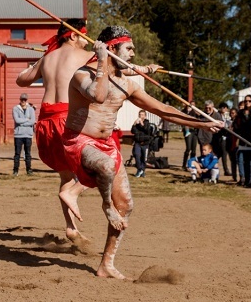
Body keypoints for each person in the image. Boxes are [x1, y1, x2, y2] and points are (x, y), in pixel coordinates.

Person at [62, 26, 222, 279]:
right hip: (79, 141)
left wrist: (202, 123)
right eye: (129, 48)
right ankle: (105, 205)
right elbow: (99, 95)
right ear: (112, 48)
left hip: (107, 146)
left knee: (125, 205)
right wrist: (102, 60)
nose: (134, 54)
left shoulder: (127, 84)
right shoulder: (83, 74)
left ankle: (106, 265)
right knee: (104, 167)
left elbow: (162, 109)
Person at [17, 19, 159, 243]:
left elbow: (20, 80)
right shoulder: (84, 57)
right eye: (84, 37)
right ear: (73, 36)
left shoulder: (47, 58)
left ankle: (71, 227)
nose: (88, 42)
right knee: (102, 162)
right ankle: (76, 196)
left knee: (66, 175)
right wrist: (146, 69)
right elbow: (118, 66)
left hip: (45, 121)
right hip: (70, 119)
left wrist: (41, 62)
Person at [12, 93, 36, 176]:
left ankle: (29, 169)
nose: (23, 101)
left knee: (28, 153)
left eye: (25, 100)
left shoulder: (31, 109)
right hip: (18, 134)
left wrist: (23, 122)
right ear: (20, 99)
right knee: (17, 153)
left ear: (27, 100)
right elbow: (17, 120)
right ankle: (15, 170)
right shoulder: (15, 108)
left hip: (28, 134)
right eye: (22, 99)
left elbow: (32, 121)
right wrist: (27, 120)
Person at [131, 110, 152, 178]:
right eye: (140, 114)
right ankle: (140, 169)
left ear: (145, 116)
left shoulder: (147, 123)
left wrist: (142, 123)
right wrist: (134, 124)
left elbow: (147, 130)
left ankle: (142, 171)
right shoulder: (136, 124)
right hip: (138, 143)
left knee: (144, 158)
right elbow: (132, 131)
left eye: (142, 115)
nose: (141, 116)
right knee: (137, 156)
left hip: (145, 143)